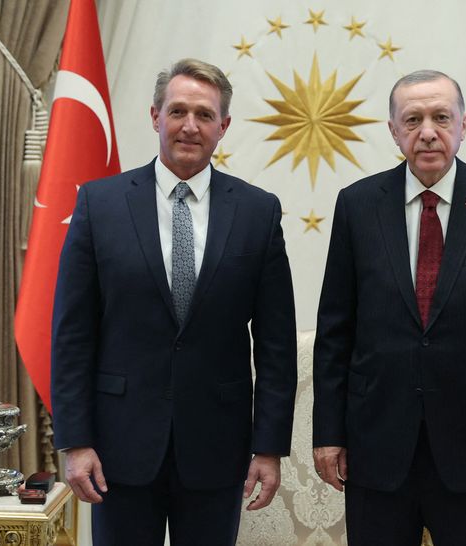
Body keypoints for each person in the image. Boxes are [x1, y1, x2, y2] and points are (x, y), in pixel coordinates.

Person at [51, 58, 297, 546]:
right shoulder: (99, 205)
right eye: (178, 110)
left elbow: (275, 345)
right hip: (118, 449)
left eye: (205, 115)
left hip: (216, 447)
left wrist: (268, 448)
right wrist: (76, 442)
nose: (190, 126)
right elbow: (72, 334)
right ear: (154, 116)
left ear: (223, 126)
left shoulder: (258, 212)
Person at [312, 70, 466, 546]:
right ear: (394, 131)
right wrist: (328, 433)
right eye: (413, 119)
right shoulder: (357, 205)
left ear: (463, 125)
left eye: (441, 117)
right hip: (377, 443)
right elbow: (335, 332)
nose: (428, 132)